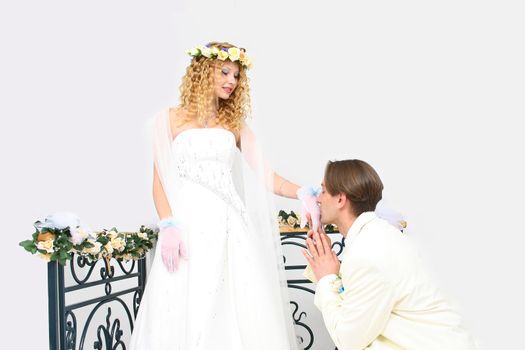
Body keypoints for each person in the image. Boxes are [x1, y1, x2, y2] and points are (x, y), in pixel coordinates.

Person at [129, 42, 319, 350]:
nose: (232, 81)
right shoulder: (170, 119)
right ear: (204, 71)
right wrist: (169, 225)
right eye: (225, 72)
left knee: (237, 299)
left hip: (229, 222)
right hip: (188, 222)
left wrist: (302, 192)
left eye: (237, 76)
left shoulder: (234, 124)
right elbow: (159, 181)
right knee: (186, 297)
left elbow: (267, 175)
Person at [302, 159, 477, 350]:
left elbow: (348, 340)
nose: (317, 198)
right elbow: (360, 298)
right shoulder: (376, 235)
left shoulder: (366, 252)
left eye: (324, 191)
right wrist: (326, 264)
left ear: (341, 199)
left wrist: (327, 279)